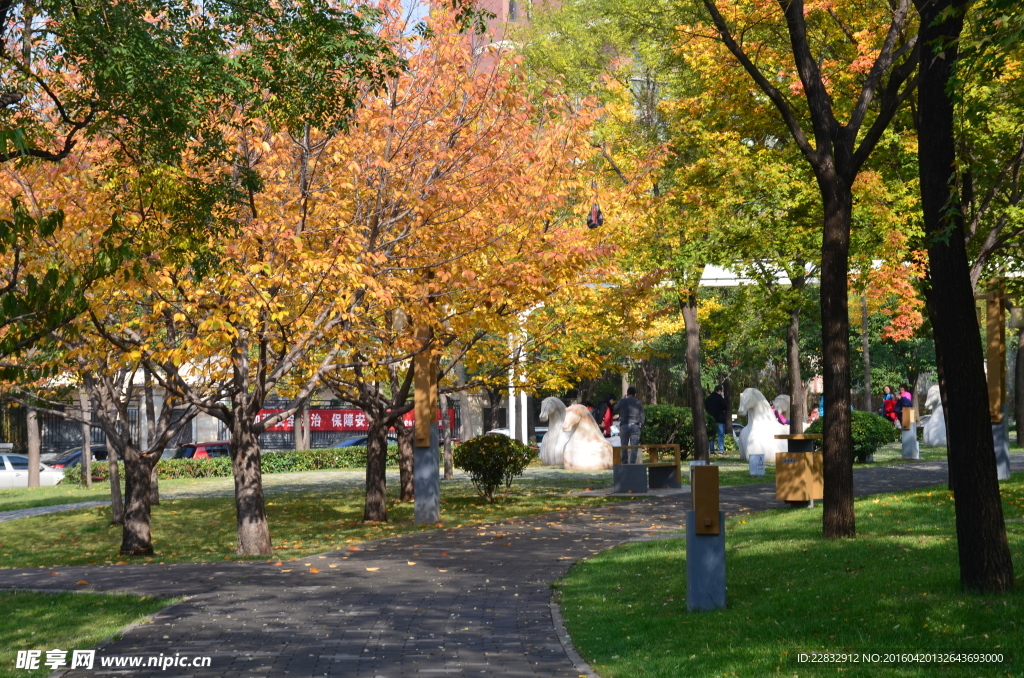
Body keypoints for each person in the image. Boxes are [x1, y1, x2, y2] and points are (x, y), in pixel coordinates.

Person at [614, 386, 646, 464]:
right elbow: (642, 415)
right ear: (635, 394)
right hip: (635, 425)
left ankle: (624, 462)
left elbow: (614, 408)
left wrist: (622, 399)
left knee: (624, 445)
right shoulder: (638, 402)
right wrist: (641, 424)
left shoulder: (622, 401)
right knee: (634, 446)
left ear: (627, 393)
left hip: (624, 425)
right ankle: (632, 463)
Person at [704, 385, 729, 455]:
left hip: (711, 419)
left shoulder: (708, 399)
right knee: (720, 435)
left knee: (712, 435)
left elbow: (706, 407)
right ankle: (721, 450)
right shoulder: (720, 399)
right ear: (720, 391)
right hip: (720, 419)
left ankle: (711, 450)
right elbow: (725, 407)